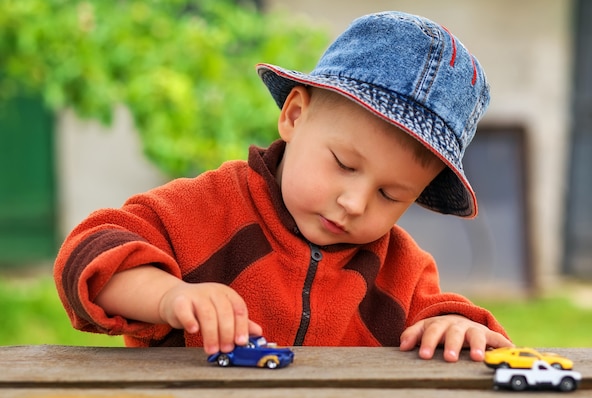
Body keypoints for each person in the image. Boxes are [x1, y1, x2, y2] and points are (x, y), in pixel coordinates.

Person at [54, 11, 513, 363]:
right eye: (343, 164)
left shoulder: (398, 268)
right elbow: (90, 258)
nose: (354, 203)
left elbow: (446, 315)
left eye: (391, 196)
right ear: (294, 115)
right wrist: (169, 297)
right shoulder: (207, 208)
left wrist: (455, 327)